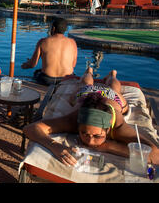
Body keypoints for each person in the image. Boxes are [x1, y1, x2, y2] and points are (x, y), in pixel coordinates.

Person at [23, 79, 159, 167]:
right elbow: (30, 128)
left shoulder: (118, 127)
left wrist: (108, 146)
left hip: (112, 98)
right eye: (84, 133)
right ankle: (89, 72)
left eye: (97, 136)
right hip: (86, 95)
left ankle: (113, 75)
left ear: (107, 130)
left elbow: (155, 155)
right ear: (78, 125)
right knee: (85, 85)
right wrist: (55, 146)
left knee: (115, 89)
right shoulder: (73, 120)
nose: (90, 141)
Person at [21, 17, 77, 86]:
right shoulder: (72, 42)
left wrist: (25, 65)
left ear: (53, 28)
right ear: (65, 29)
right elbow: (73, 65)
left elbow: (33, 64)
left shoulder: (43, 41)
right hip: (66, 80)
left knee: (37, 72)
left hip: (48, 80)